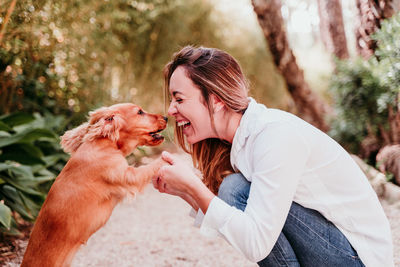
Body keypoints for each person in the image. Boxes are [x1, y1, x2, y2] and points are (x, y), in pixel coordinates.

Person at [152, 45, 394, 267]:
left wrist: (194, 186)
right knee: (233, 190)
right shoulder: (243, 140)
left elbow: (256, 242)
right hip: (338, 251)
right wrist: (185, 191)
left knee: (235, 190)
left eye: (179, 99)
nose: (171, 109)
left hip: (359, 259)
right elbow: (237, 227)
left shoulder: (274, 135)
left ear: (215, 100)